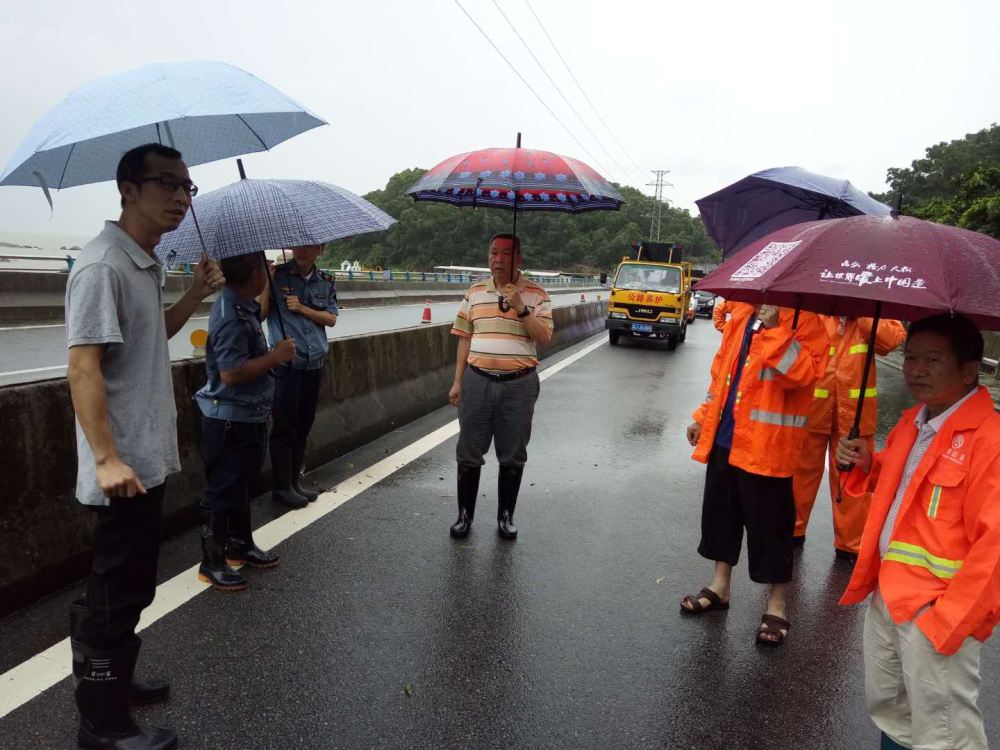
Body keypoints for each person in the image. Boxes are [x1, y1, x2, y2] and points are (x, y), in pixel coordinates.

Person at [65, 143, 224, 750]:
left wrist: (191, 296)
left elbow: (145, 338)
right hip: (122, 465)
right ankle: (101, 726)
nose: (181, 197)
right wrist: (106, 458)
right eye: (166, 184)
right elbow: (84, 366)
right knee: (113, 590)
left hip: (144, 458)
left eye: (187, 187)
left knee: (131, 584)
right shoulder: (104, 265)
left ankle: (116, 683)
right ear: (127, 189)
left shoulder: (141, 263)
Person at [837, 313, 1000, 750]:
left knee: (945, 735)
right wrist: (867, 465)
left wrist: (948, 622)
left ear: (970, 370)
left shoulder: (990, 440)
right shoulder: (917, 422)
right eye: (910, 357)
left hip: (936, 611)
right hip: (890, 597)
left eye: (932, 359)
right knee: (893, 716)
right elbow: (901, 483)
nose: (915, 369)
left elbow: (996, 548)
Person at [682, 303, 828, 646]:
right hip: (726, 437)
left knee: (773, 528)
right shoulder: (743, 316)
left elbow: (802, 375)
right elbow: (722, 375)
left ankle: (777, 605)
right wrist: (703, 416)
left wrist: (777, 329)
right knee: (721, 516)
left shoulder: (807, 322)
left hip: (768, 446)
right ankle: (720, 586)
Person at [194, 252, 296, 591]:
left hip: (248, 413)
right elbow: (232, 372)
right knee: (223, 488)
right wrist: (276, 357)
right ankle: (211, 561)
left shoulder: (246, 308)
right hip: (228, 417)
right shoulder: (230, 315)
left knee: (242, 484)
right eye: (266, 269)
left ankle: (240, 544)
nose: (269, 274)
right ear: (254, 274)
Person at [448, 233, 553, 540]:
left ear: (518, 258)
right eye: (493, 252)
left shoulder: (537, 294)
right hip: (477, 381)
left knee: (513, 453)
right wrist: (457, 381)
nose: (497, 258)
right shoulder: (475, 291)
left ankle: (505, 516)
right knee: (468, 451)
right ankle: (464, 516)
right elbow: (464, 337)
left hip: (518, 386)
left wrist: (521, 307)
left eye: (505, 253)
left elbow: (544, 337)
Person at [792, 316, 906, 558]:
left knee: (853, 480)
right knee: (800, 474)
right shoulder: (819, 312)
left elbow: (891, 341)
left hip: (855, 416)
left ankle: (850, 544)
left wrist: (864, 312)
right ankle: (793, 531)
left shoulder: (874, 310)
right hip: (813, 410)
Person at [259, 245, 339, 509]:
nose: (302, 250)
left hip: (313, 363)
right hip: (286, 366)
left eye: (309, 246)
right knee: (284, 427)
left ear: (320, 250)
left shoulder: (325, 281)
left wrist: (303, 308)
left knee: (303, 425)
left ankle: (295, 483)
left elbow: (330, 319)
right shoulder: (277, 276)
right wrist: (267, 285)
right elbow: (259, 314)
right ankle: (281, 487)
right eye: (298, 245)